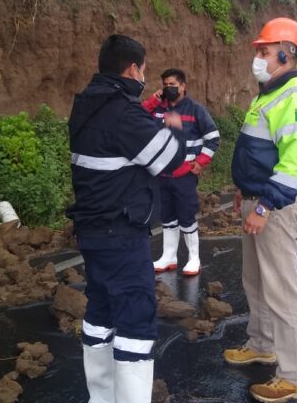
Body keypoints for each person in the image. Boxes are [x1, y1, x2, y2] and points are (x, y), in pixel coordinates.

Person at [66, 35, 187, 403]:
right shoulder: (123, 113)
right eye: (145, 71)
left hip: (92, 232)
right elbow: (167, 158)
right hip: (120, 233)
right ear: (133, 69)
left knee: (100, 311)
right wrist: (174, 125)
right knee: (135, 318)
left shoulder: (86, 104)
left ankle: (100, 399)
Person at [223, 17, 297, 403]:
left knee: (281, 290)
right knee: (256, 281)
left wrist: (262, 205)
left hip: (274, 207)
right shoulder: (266, 94)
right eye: (258, 51)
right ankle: (261, 344)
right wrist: (243, 193)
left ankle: (294, 378)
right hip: (256, 199)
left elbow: (294, 165)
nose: (258, 57)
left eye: (264, 51)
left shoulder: (295, 98)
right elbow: (258, 152)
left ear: (287, 52)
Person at [143, 68, 220, 276]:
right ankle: (169, 256)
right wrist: (152, 101)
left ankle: (194, 258)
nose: (169, 89)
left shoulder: (195, 110)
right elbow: (137, 117)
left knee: (186, 215)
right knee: (166, 215)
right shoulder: (158, 108)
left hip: (184, 175)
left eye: (172, 85)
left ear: (183, 86)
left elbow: (213, 137)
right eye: (165, 85)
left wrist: (200, 162)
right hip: (161, 174)